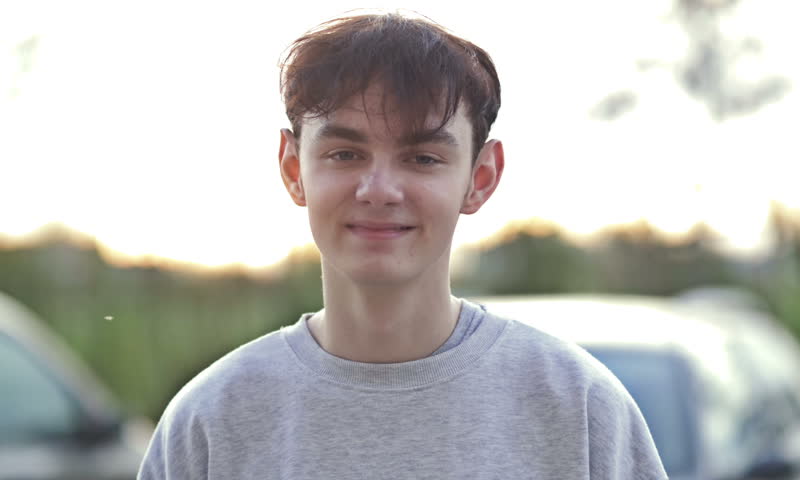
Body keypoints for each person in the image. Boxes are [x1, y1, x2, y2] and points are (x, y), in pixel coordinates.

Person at [138, 11, 667, 479]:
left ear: (480, 178)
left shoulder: (580, 408)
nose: (379, 191)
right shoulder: (211, 420)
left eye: (423, 158)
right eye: (345, 154)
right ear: (293, 168)